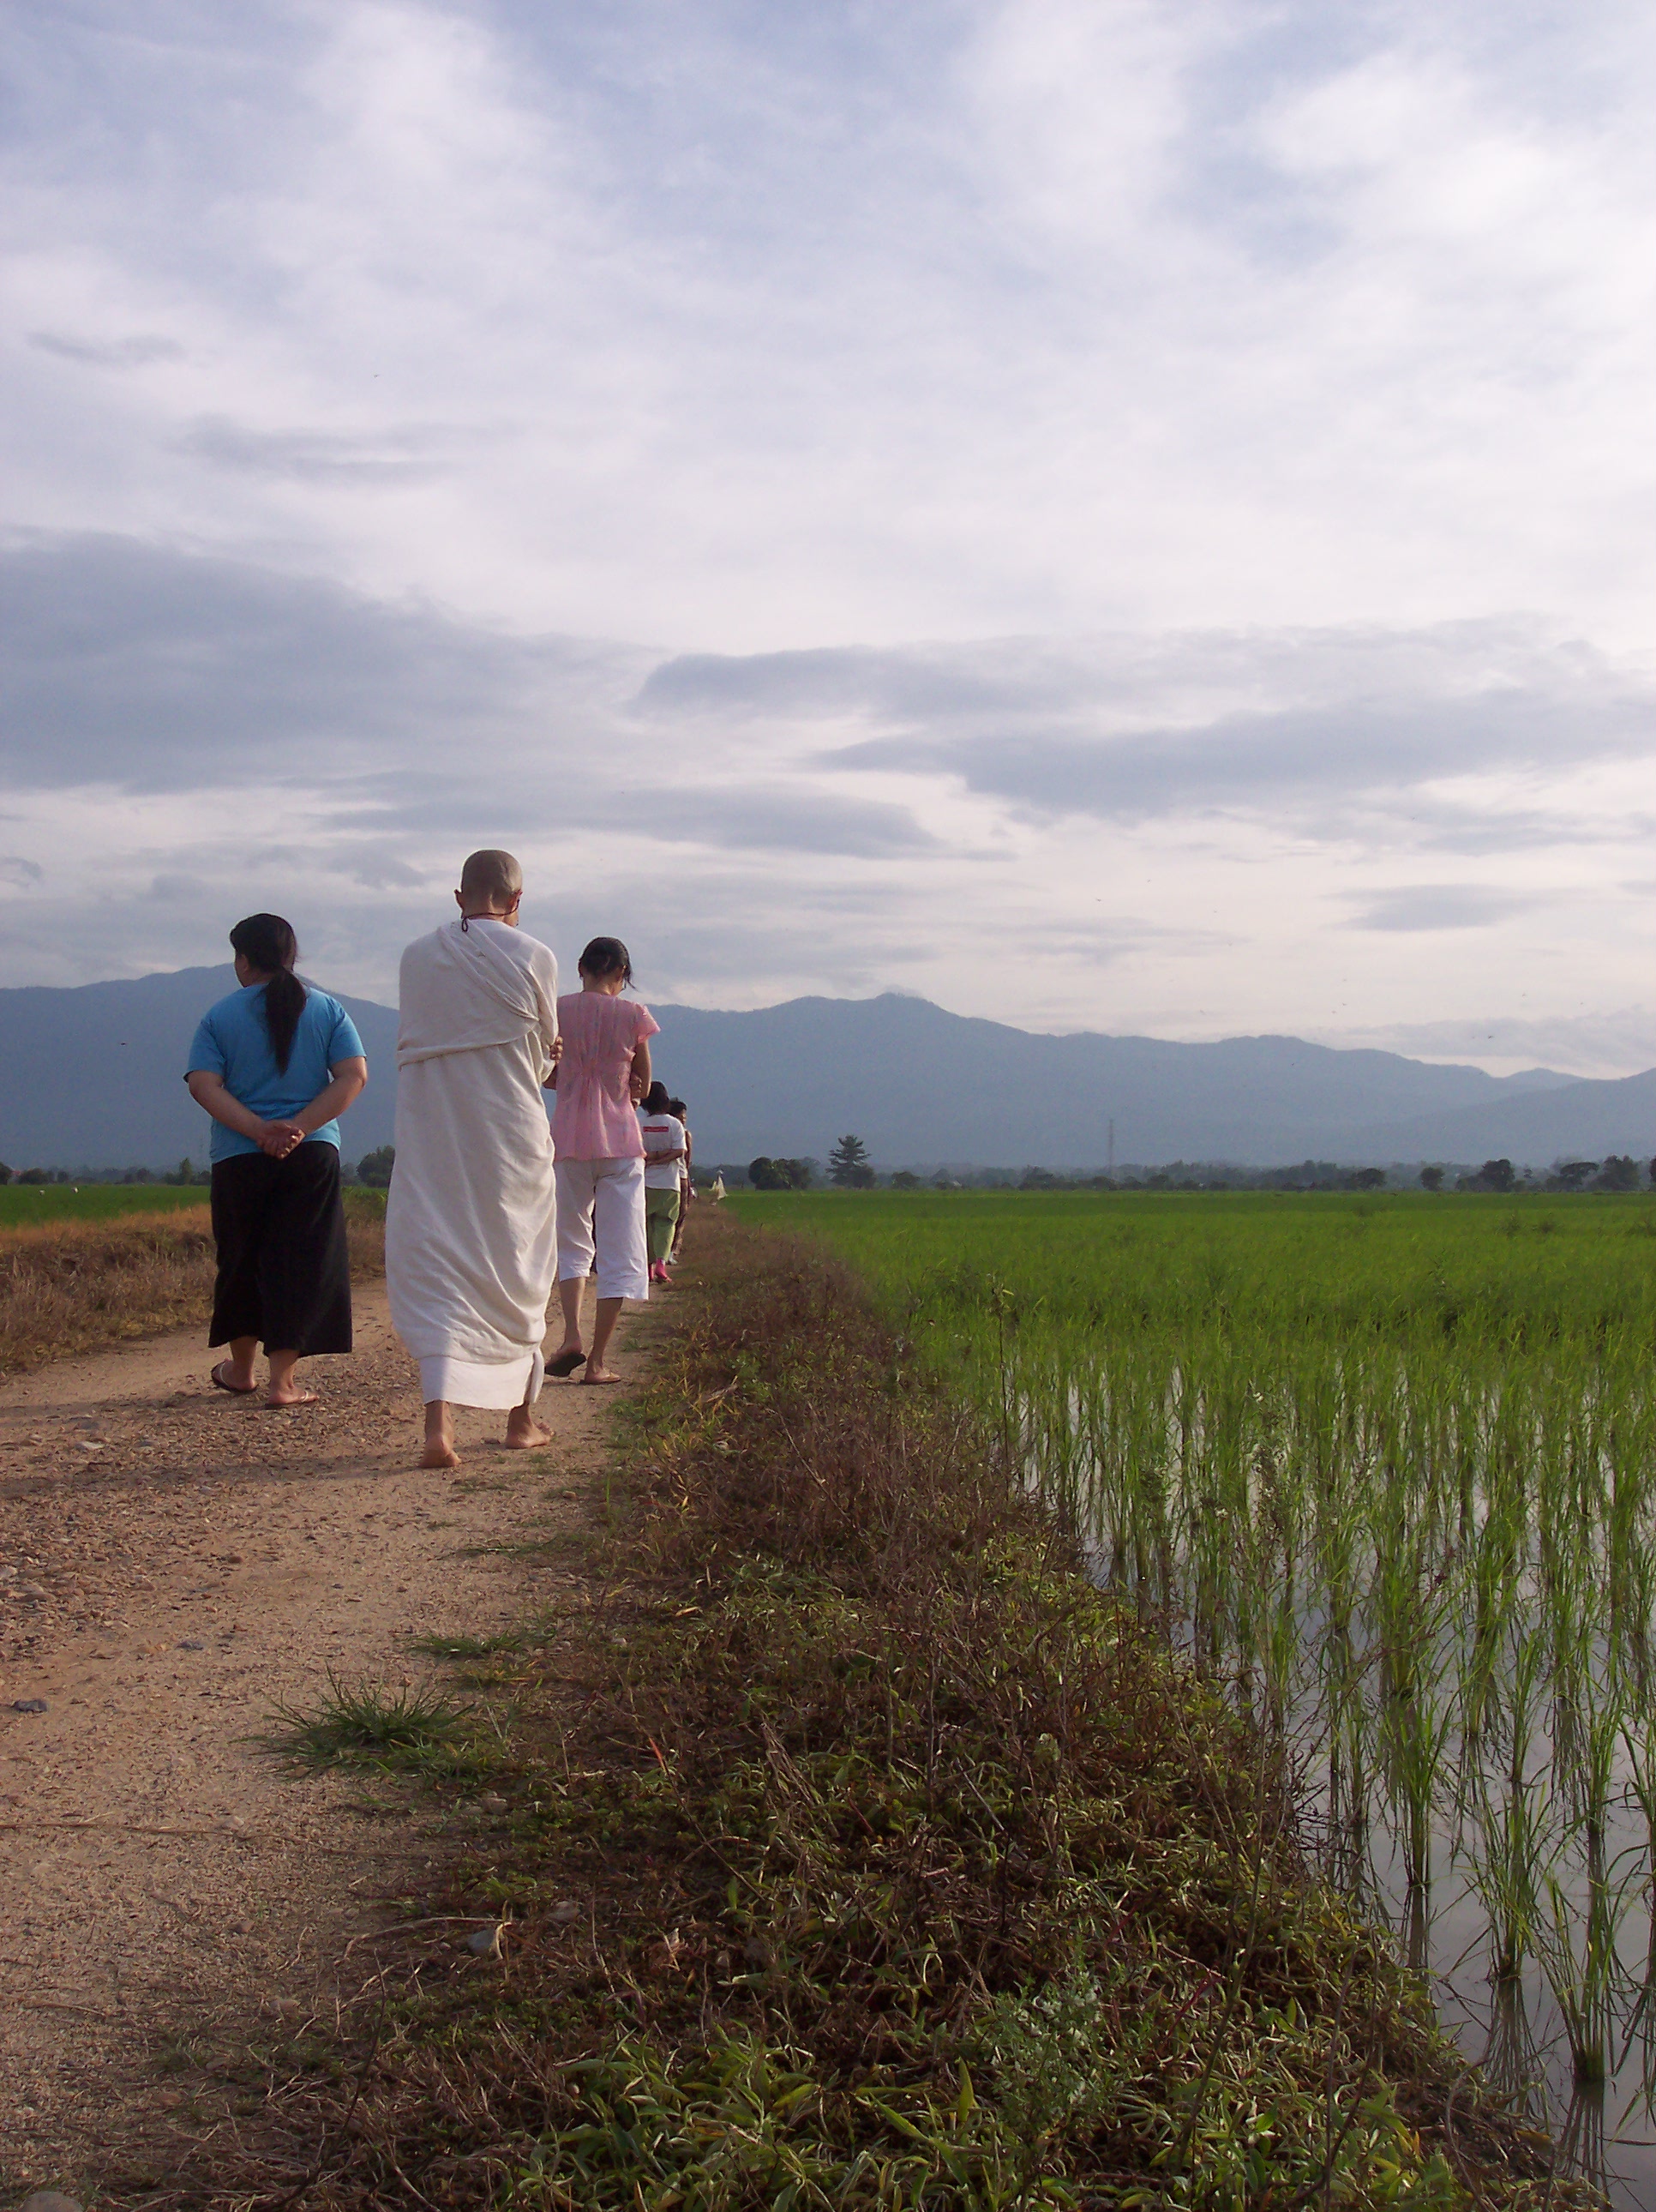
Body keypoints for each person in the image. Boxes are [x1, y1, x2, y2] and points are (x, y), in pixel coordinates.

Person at [386, 851, 560, 1470]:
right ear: (516, 902)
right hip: (510, 1136)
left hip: (434, 1134)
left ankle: (439, 1427)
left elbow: (424, 1042)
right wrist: (548, 1051)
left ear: (458, 897)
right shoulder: (535, 955)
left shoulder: (415, 956)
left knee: (441, 1269)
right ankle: (521, 1421)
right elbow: (541, 1065)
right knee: (520, 1265)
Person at [185, 914, 368, 1408]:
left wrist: (258, 1130)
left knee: (241, 1259)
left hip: (239, 1158)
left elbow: (203, 1085)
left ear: (243, 960)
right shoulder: (328, 1010)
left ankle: (241, 1370)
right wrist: (301, 1127)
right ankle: (282, 1382)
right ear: (291, 957)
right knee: (301, 1262)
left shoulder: (219, 1016)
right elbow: (352, 1075)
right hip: (311, 1156)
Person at [547, 936, 657, 1382]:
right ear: (623, 976)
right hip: (621, 1141)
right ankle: (597, 1361)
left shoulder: (558, 1010)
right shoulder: (634, 1016)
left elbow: (547, 1073)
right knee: (619, 1249)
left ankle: (571, 1333)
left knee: (572, 1243)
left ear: (581, 968)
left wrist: (573, 1081)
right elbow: (644, 1086)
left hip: (568, 1139)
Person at [637, 1082, 687, 1285]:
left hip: (644, 1183)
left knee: (646, 1225)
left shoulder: (639, 1124)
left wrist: (651, 1159)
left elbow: (636, 1152)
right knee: (666, 1224)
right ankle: (661, 1264)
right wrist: (661, 1159)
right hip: (669, 1183)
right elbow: (679, 1151)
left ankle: (647, 1268)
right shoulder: (674, 1124)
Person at [668, 1095, 693, 1265]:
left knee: (681, 1213)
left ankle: (674, 1248)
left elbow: (687, 1161)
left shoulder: (685, 1135)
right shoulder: (667, 1131)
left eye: (684, 1119)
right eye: (679, 1118)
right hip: (669, 1177)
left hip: (681, 1176)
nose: (682, 1122)